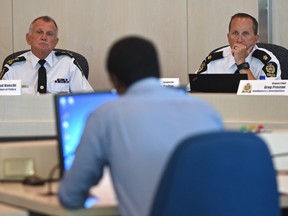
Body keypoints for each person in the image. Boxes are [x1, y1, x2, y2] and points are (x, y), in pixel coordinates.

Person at [58, 36, 224, 216]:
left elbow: (70, 197)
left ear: (114, 79)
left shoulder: (106, 116)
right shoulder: (206, 111)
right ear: (157, 71)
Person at [0, 16, 93, 94]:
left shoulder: (68, 64)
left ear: (55, 42)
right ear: (28, 38)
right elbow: (3, 104)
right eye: (39, 32)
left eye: (49, 34)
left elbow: (88, 99)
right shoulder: (13, 68)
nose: (44, 37)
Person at [196, 13, 281, 80]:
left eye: (245, 34)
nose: (239, 39)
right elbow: (193, 90)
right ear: (228, 37)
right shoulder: (213, 61)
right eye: (235, 33)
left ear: (256, 39)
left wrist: (241, 64)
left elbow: (267, 98)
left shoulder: (267, 61)